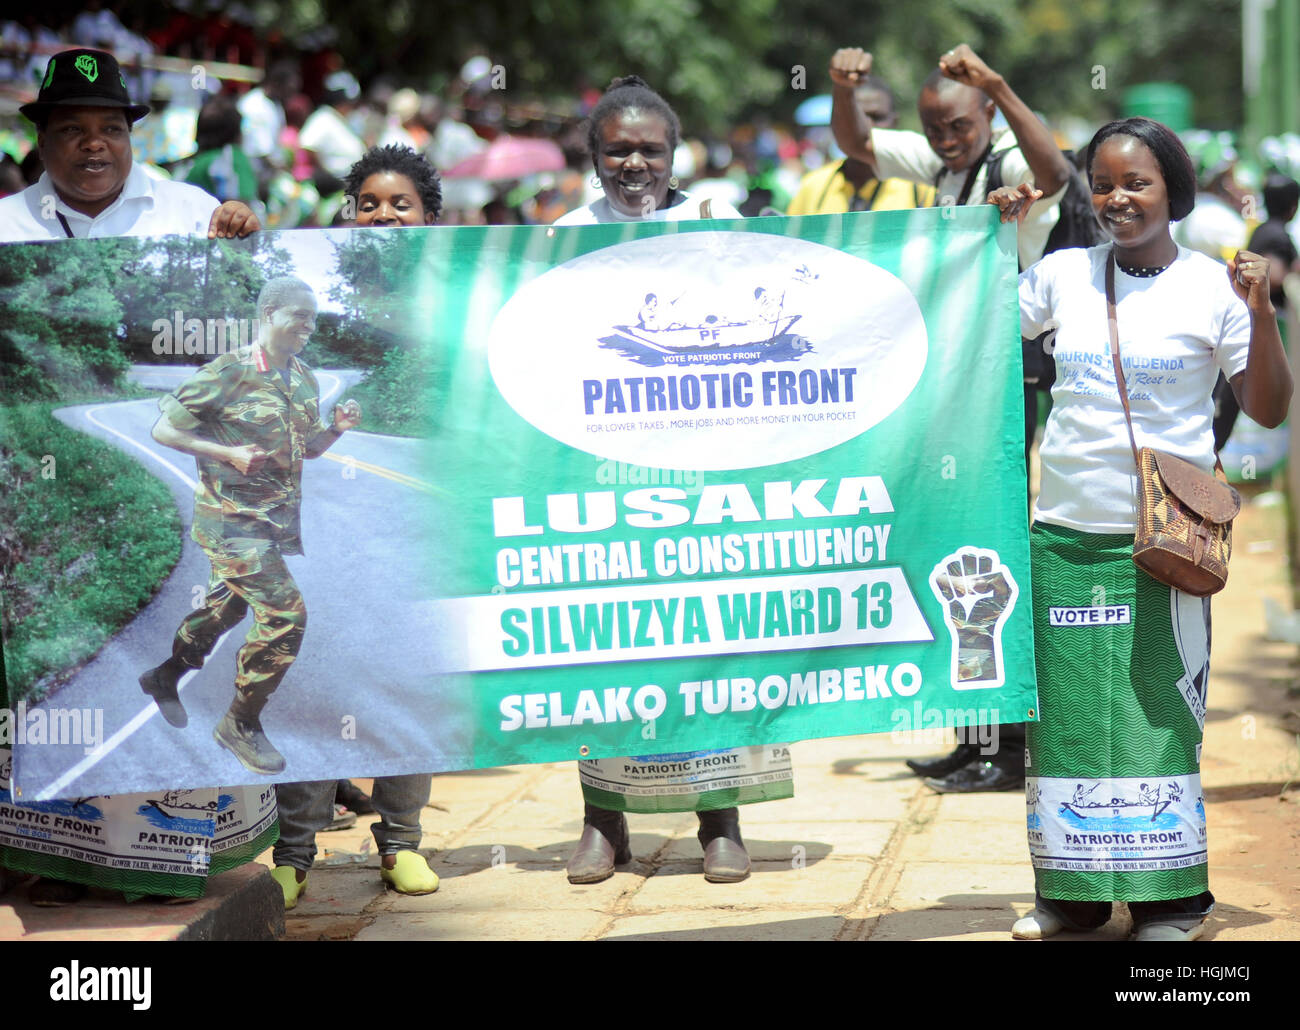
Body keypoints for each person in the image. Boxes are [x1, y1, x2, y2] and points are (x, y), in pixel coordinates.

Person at [990, 117, 1291, 940]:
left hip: (1167, 542)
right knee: (1070, 718)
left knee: (1157, 713)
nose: (1117, 197)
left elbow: (1266, 406)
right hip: (1062, 533)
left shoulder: (1210, 287)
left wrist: (1263, 312)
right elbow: (978, 333)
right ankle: (1072, 899)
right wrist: (997, 231)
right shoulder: (1062, 276)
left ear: (1174, 193)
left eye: (1138, 183)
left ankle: (1173, 900)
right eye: (1104, 182)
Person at [0, 48, 262, 905]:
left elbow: (247, 314)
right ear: (40, 141)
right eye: (71, 130)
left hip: (164, 463)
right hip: (33, 486)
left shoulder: (190, 214)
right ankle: (46, 852)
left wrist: (248, 246)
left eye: (109, 128)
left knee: (156, 655)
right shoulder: (8, 230)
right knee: (48, 656)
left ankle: (161, 861)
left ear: (131, 136)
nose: (93, 146)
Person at [555, 77, 780, 886]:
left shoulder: (711, 224)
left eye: (651, 148)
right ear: (594, 156)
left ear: (675, 154)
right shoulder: (562, 238)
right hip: (596, 478)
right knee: (601, 652)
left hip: (704, 479)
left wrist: (753, 242)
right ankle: (602, 824)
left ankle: (720, 822)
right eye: (618, 148)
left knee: (707, 647)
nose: (635, 162)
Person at [830, 44, 1072, 793]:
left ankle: (1011, 750)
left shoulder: (1007, 165)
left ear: (987, 115)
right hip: (957, 391)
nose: (945, 138)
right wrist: (845, 89)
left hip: (1004, 391)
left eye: (959, 124)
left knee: (996, 554)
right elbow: (857, 144)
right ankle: (972, 738)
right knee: (959, 555)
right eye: (935, 127)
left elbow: (1060, 176)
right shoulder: (945, 165)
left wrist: (997, 80)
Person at [268, 144, 443, 909]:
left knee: (412, 678)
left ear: (431, 218)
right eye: (369, 203)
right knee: (314, 674)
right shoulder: (316, 306)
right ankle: (295, 850)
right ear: (347, 215)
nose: (384, 216)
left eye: (401, 204)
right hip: (327, 523)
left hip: (421, 525)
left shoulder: (460, 307)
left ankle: (402, 842)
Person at [139, 276, 362, 779]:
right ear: (268, 314)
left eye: (313, 317)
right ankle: (241, 723)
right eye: (298, 315)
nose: (308, 324)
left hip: (273, 524)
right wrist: (227, 453)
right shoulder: (230, 370)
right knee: (287, 615)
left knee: (225, 609)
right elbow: (164, 429)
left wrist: (336, 430)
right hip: (229, 521)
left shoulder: (304, 377)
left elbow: (305, 449)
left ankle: (165, 675)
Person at [786, 76, 934, 216]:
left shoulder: (920, 186)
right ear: (837, 123)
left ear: (895, 122)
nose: (867, 126)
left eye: (877, 117)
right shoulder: (813, 186)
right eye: (857, 117)